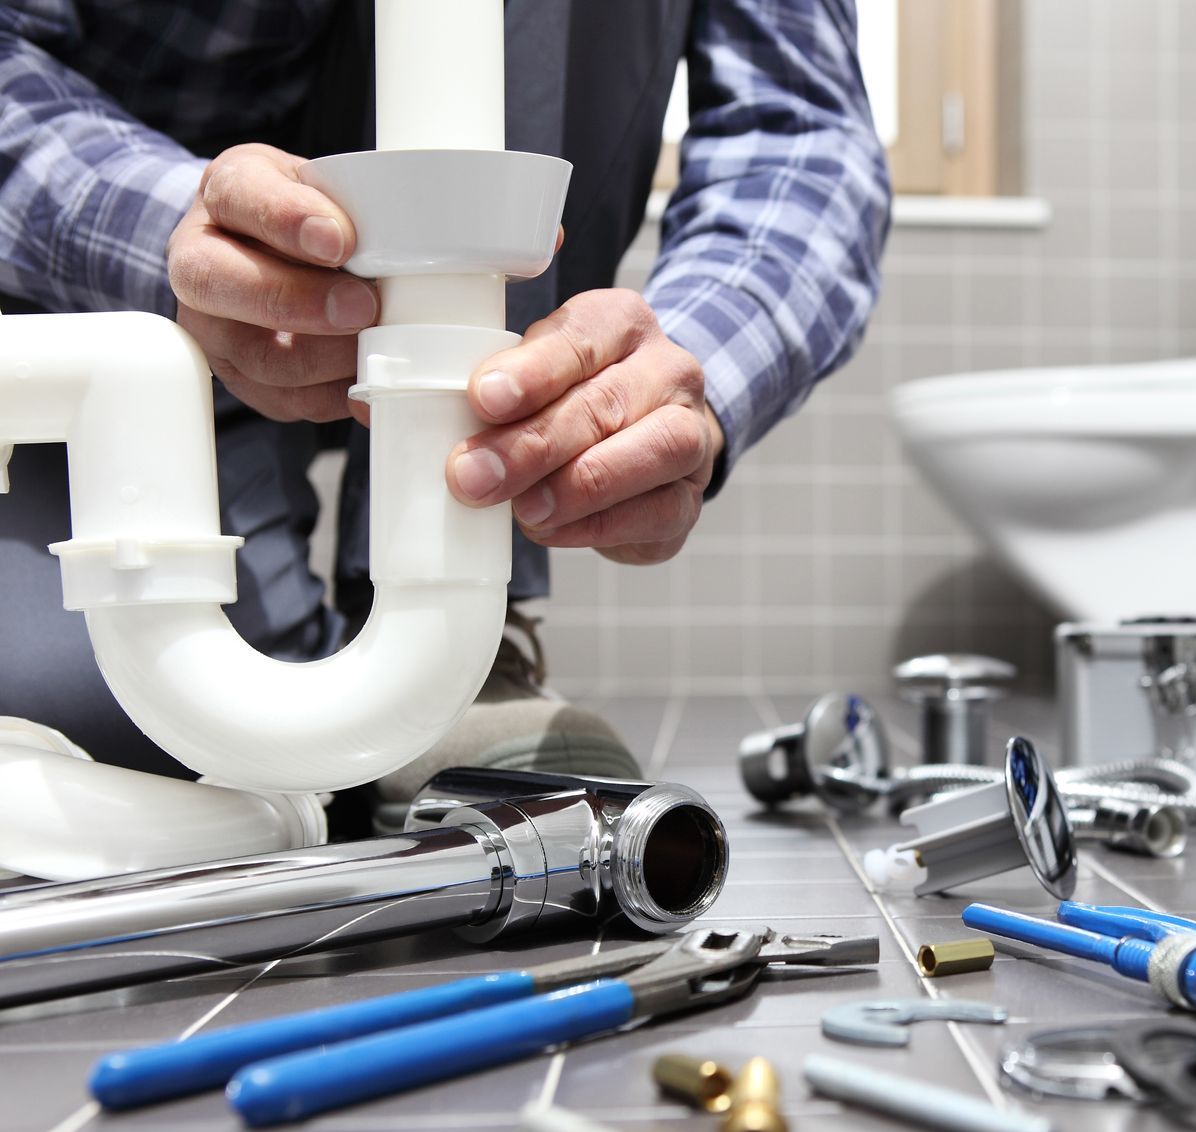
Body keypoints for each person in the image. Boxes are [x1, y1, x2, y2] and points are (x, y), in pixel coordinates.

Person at [0, 0, 890, 828]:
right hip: (92, 314)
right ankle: (368, 661)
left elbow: (802, 132)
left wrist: (664, 375)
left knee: (267, 765)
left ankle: (452, 640)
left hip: (450, 342)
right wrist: (175, 237)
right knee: (105, 722)